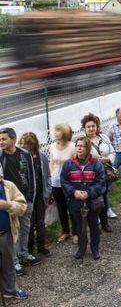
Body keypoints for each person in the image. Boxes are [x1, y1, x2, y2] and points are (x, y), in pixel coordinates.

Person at [0, 127, 39, 276]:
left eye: (4, 139)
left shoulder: (25, 154)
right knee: (13, 232)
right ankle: (14, 262)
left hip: (25, 200)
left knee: (25, 230)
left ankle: (24, 255)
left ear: (13, 140)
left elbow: (31, 176)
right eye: (0, 139)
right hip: (9, 203)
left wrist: (31, 198)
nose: (1, 142)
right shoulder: (0, 156)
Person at [60, 136, 106, 260]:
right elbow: (64, 181)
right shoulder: (69, 164)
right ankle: (81, 248)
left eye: (82, 146)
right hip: (75, 202)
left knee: (94, 226)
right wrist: (73, 192)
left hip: (92, 202)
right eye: (77, 145)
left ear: (88, 148)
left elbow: (101, 182)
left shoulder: (96, 163)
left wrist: (89, 193)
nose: (79, 148)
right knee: (79, 227)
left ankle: (95, 249)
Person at [82, 113, 116, 233]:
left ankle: (105, 222)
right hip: (91, 174)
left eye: (93, 126)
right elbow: (80, 157)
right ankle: (94, 222)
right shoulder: (82, 141)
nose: (91, 129)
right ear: (84, 128)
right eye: (88, 127)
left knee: (105, 197)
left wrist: (108, 159)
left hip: (105, 172)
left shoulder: (104, 138)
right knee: (93, 198)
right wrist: (95, 160)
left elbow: (112, 151)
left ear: (97, 127)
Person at [19, 132, 51, 256]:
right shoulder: (20, 158)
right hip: (27, 197)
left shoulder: (42, 157)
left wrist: (47, 192)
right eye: (22, 145)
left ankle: (41, 246)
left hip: (40, 196)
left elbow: (48, 176)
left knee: (41, 222)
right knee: (29, 224)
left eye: (27, 145)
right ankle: (29, 249)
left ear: (34, 145)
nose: (25, 147)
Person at [0, 166, 29, 300]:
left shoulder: (9, 186)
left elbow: (22, 206)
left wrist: (8, 205)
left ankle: (10, 291)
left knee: (8, 263)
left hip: (5, 232)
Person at [49, 124, 77, 246]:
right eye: (55, 131)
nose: (55, 133)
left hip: (69, 182)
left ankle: (76, 232)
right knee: (61, 208)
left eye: (58, 130)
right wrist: (50, 175)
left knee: (72, 208)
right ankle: (65, 231)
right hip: (56, 182)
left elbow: (76, 163)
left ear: (65, 132)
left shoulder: (72, 146)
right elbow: (51, 162)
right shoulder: (52, 146)